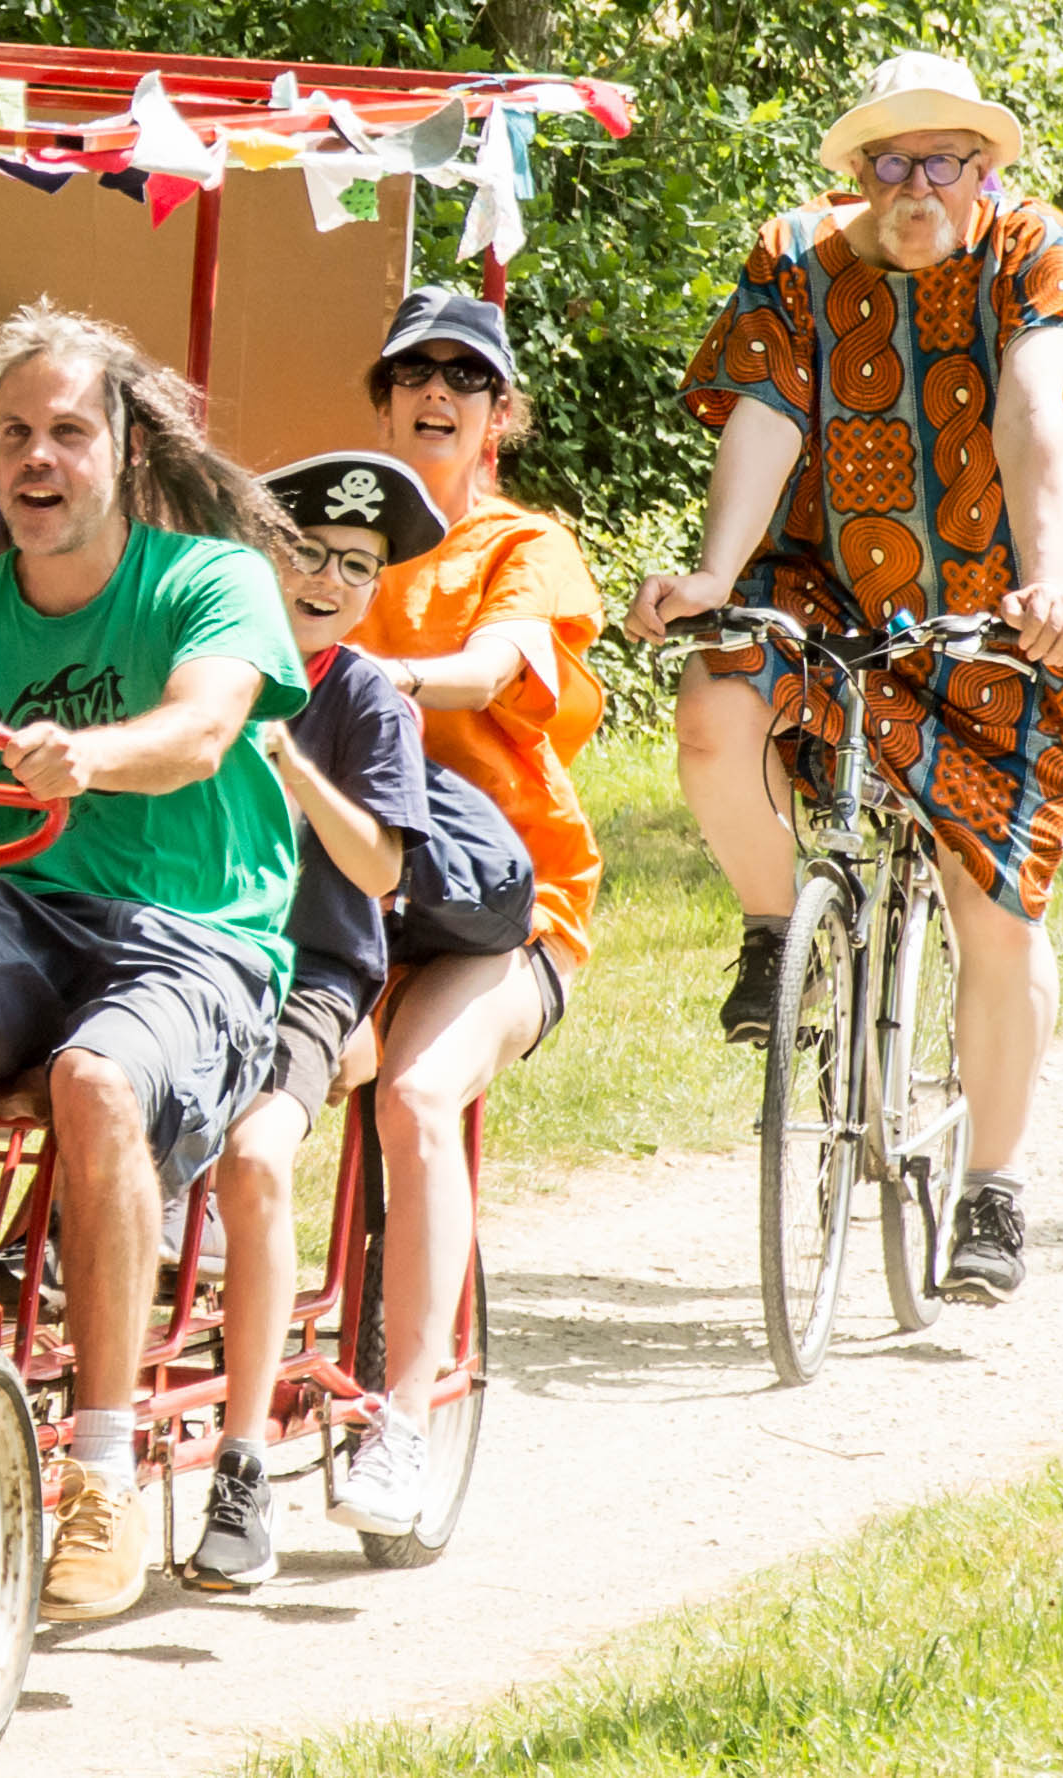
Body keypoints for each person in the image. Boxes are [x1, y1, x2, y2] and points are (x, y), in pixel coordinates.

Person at [0, 304, 306, 1621]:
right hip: (18, 911)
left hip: (194, 936)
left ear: (123, 446)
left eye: (65, 433)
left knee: (92, 1080)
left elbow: (199, 731)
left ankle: (98, 1472)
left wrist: (89, 755)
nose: (36, 458)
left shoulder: (209, 583)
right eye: (12, 434)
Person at [625, 52, 1063, 1303]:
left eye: (944, 161)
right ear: (860, 168)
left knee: (994, 905)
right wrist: (714, 573)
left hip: (994, 611)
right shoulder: (797, 258)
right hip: (828, 582)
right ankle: (774, 929)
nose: (917, 185)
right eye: (891, 161)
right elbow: (767, 410)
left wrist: (1044, 586)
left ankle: (994, 1190)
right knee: (715, 707)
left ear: (984, 170)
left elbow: (1034, 411)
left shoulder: (1037, 251)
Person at [332, 289, 604, 1539]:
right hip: (340, 885)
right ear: (382, 397)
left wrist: (361, 671)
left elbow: (497, 668)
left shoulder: (523, 548)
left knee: (414, 1094)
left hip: (504, 903)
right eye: (411, 371)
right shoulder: (333, 538)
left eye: (466, 376)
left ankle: (398, 1420)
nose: (436, 391)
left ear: (500, 414)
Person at [181, 451, 446, 1593]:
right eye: (305, 552)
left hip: (310, 972)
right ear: (261, 557)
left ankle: (240, 1464)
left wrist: (288, 754)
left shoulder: (364, 698)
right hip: (188, 952)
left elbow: (381, 862)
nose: (328, 577)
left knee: (253, 1156)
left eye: (357, 564)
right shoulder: (197, 661)